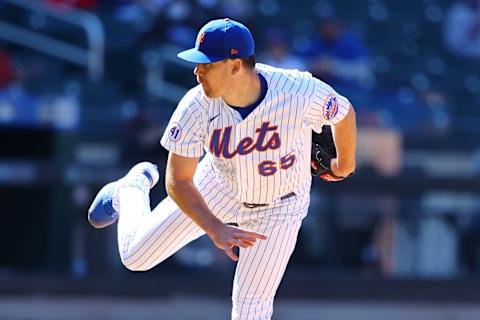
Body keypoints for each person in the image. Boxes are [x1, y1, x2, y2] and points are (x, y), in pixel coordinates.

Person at [88, 18, 357, 320]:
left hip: (280, 206)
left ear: (234, 65)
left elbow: (343, 112)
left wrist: (345, 164)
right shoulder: (196, 106)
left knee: (251, 310)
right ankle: (131, 190)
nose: (197, 71)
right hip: (218, 187)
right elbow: (178, 180)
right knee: (136, 257)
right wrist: (214, 227)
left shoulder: (297, 90)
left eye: (206, 64)